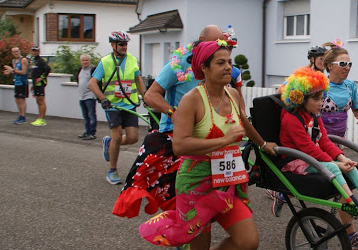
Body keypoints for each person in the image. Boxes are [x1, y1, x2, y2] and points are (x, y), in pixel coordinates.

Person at [138, 40, 276, 250]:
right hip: (197, 183)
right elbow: (180, 145)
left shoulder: (234, 95)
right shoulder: (191, 100)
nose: (228, 67)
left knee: (248, 241)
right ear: (204, 68)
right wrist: (224, 140)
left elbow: (245, 124)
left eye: (229, 62)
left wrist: (263, 145)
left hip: (229, 181)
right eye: (221, 63)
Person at [112, 25, 265, 237]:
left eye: (223, 47)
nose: (219, 50)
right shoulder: (176, 65)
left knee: (218, 186)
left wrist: (262, 143)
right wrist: (172, 112)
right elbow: (150, 96)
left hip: (215, 135)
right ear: (200, 40)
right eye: (213, 44)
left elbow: (238, 113)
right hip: (177, 132)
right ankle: (186, 235)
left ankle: (203, 234)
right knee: (167, 184)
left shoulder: (228, 70)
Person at [279, 67, 358, 250]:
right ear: (300, 97)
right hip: (296, 161)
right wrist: (335, 164)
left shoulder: (315, 115)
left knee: (350, 164)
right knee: (334, 168)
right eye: (316, 98)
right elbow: (307, 149)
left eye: (322, 97)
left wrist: (341, 157)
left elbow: (324, 141)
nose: (321, 102)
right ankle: (352, 203)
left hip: (309, 157)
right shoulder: (291, 119)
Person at [88, 31, 147, 185]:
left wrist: (146, 96)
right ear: (113, 45)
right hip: (113, 105)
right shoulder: (105, 62)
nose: (124, 47)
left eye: (126, 44)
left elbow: (138, 80)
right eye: (121, 44)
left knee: (133, 137)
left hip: (129, 104)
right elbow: (92, 83)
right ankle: (112, 171)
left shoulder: (133, 60)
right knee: (118, 135)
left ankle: (110, 143)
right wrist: (102, 99)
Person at [319, 46, 358, 138]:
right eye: (343, 64)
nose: (348, 67)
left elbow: (357, 109)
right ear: (330, 65)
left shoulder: (350, 86)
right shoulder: (320, 85)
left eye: (349, 64)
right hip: (319, 141)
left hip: (340, 141)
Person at [3, 46, 28, 124]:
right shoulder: (14, 61)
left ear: (19, 51)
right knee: (17, 100)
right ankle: (20, 115)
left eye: (17, 51)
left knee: (22, 99)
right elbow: (15, 72)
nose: (16, 53)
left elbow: (23, 72)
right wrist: (9, 72)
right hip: (17, 82)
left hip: (22, 82)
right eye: (14, 52)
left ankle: (23, 117)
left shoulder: (23, 60)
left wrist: (12, 70)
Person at [28, 45, 50, 127]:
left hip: (40, 84)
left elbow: (48, 69)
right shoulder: (34, 61)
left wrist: (41, 78)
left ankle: (42, 119)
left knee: (41, 101)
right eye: (33, 51)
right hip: (35, 84)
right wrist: (33, 85)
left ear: (38, 52)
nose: (34, 52)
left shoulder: (41, 61)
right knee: (38, 101)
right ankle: (39, 118)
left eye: (35, 51)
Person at [77, 54, 97, 139]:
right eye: (83, 60)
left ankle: (92, 133)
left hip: (90, 96)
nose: (85, 62)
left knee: (91, 115)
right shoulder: (80, 70)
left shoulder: (93, 70)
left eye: (87, 60)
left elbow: (96, 82)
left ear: (90, 61)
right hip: (81, 96)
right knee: (85, 116)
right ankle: (87, 131)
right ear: (81, 62)